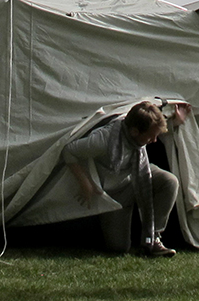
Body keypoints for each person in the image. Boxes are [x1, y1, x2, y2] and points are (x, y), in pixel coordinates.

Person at [63, 100, 181, 257]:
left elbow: (156, 113)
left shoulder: (139, 129)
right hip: (117, 192)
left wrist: (176, 120)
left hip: (138, 174)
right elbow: (68, 151)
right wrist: (86, 183)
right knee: (118, 247)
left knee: (169, 181)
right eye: (150, 137)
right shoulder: (104, 140)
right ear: (134, 132)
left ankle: (153, 239)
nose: (154, 141)